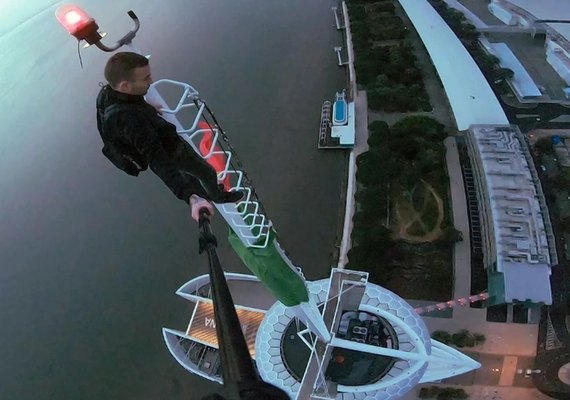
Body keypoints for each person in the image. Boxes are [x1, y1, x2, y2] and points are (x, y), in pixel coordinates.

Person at [97, 52, 243, 221]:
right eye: (145, 78)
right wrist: (191, 198)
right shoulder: (131, 122)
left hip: (159, 138)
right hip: (171, 151)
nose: (151, 81)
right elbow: (158, 161)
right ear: (124, 86)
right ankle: (216, 197)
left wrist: (147, 107)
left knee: (189, 175)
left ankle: (202, 191)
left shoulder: (108, 94)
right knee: (206, 171)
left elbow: (130, 102)